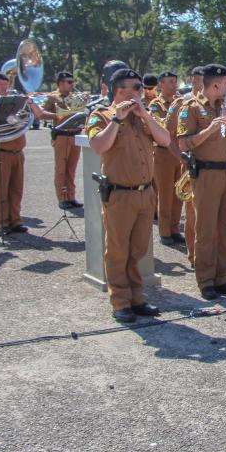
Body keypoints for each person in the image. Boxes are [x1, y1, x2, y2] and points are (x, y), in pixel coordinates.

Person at [86, 68, 170, 323]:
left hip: (145, 193)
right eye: (136, 87)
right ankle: (120, 301)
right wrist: (117, 120)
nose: (141, 91)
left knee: (138, 250)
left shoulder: (144, 115)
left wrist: (144, 114)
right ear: (119, 90)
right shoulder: (100, 115)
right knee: (118, 251)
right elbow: (99, 146)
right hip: (120, 194)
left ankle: (137, 298)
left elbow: (165, 140)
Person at [178, 64, 226, 299]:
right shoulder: (191, 108)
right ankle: (205, 280)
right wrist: (210, 129)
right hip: (206, 175)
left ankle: (222, 277)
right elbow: (183, 144)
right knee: (206, 229)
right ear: (216, 84)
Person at [0, 70, 45, 235]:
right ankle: (2, 223)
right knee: (1, 190)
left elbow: (32, 114)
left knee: (16, 189)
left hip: (17, 151)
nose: (5, 89)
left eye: (6, 85)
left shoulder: (13, 101)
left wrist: (28, 104)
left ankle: (15, 220)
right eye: (1, 85)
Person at [164, 66, 204, 265]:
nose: (201, 84)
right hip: (192, 164)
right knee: (192, 213)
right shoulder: (181, 104)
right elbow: (168, 135)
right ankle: (194, 254)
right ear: (193, 81)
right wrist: (180, 157)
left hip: (213, 165)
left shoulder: (214, 104)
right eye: (198, 80)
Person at [148, 71, 185, 246]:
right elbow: (161, 124)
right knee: (165, 193)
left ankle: (175, 228)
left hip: (179, 151)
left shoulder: (182, 102)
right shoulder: (156, 104)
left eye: (175, 81)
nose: (174, 85)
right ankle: (164, 230)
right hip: (163, 153)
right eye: (170, 82)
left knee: (179, 193)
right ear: (161, 84)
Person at [39, 71, 83, 209]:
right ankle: (62, 198)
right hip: (62, 135)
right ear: (60, 83)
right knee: (61, 169)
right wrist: (57, 114)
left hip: (75, 134)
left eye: (72, 82)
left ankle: (71, 196)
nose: (72, 85)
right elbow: (41, 113)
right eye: (69, 82)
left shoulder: (75, 97)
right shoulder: (52, 98)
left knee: (71, 169)